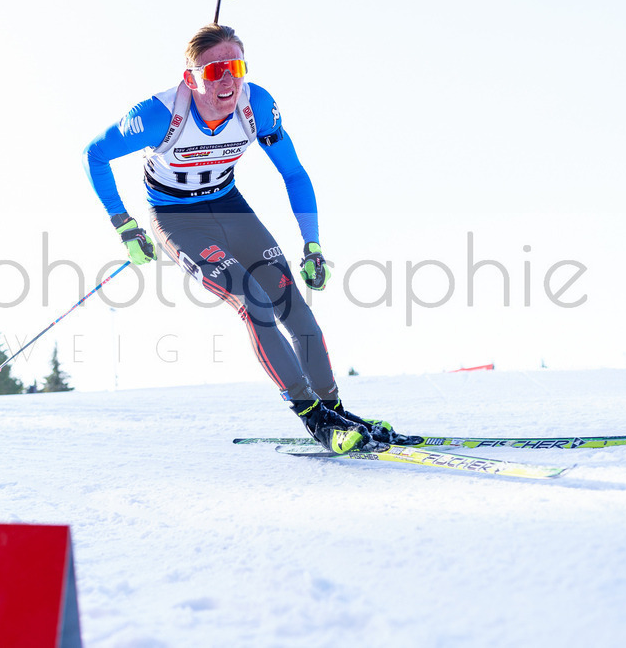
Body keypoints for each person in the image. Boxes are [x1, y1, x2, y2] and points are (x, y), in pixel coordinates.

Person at [84, 24, 416, 453]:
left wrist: (312, 244)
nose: (228, 79)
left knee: (292, 306)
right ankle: (313, 417)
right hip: (178, 220)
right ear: (190, 78)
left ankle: (336, 411)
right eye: (215, 69)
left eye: (236, 65)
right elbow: (95, 153)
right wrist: (124, 224)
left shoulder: (257, 104)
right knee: (252, 299)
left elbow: (293, 172)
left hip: (232, 208)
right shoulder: (156, 115)